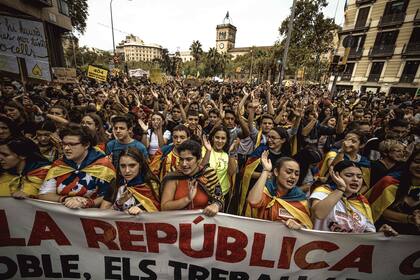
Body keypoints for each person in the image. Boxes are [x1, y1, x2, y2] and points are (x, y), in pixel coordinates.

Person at [310, 160, 397, 235]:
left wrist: (380, 233)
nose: (355, 179)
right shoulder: (323, 191)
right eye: (349, 175)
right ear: (336, 176)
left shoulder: (362, 202)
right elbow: (319, 214)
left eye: (359, 177)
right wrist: (340, 188)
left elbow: (367, 234)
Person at [38, 125, 116, 209]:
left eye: (72, 144)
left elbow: (109, 197)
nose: (66, 148)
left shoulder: (103, 166)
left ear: (86, 145)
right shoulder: (58, 165)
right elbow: (44, 195)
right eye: (64, 144)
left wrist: (87, 203)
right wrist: (64, 199)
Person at [247, 151, 313, 229]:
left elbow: (308, 227)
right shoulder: (267, 190)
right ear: (276, 172)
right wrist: (265, 171)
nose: (293, 177)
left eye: (297, 174)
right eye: (289, 172)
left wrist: (299, 226)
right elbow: (253, 201)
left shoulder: (300, 199)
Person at [161, 140, 223, 216]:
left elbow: (219, 199)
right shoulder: (174, 174)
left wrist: (216, 205)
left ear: (199, 160)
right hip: (177, 225)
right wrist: (187, 199)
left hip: (203, 224)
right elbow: (164, 207)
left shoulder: (208, 174)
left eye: (189, 159)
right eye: (181, 159)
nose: (184, 164)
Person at [238, 126, 290, 215]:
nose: (269, 140)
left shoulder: (286, 157)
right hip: (254, 192)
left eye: (273, 138)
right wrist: (265, 175)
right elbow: (244, 172)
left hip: (272, 197)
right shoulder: (260, 151)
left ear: (283, 140)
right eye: (269, 137)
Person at [367, 149, 420, 235]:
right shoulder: (388, 182)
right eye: (417, 161)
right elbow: (372, 210)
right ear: (409, 162)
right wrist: (410, 219)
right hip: (384, 234)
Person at [100, 147, 160, 214]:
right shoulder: (115, 183)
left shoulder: (151, 185)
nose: (127, 170)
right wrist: (118, 204)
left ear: (140, 165)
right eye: (123, 166)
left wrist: (143, 213)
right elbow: (103, 213)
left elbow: (160, 215)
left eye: (132, 165)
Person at [201, 126, 238, 201]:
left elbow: (231, 173)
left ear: (227, 140)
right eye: (217, 137)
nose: (220, 141)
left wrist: (232, 153)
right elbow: (201, 170)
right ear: (212, 138)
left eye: (223, 138)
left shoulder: (227, 155)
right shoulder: (204, 150)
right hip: (204, 192)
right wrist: (208, 151)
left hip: (222, 194)